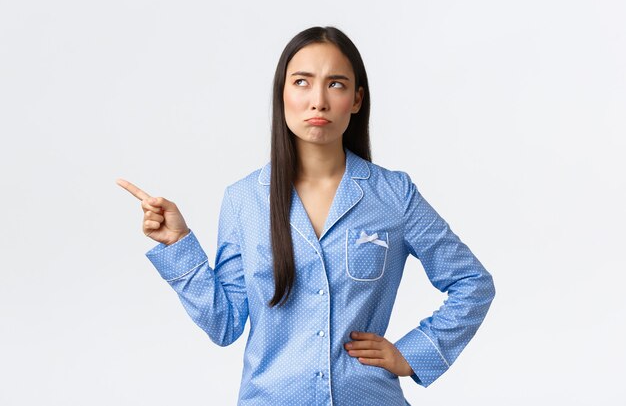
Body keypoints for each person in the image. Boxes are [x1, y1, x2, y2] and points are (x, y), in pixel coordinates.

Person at [116, 26, 495, 406]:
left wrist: (413, 354)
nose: (318, 101)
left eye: (335, 84)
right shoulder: (244, 200)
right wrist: (179, 245)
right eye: (302, 82)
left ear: (356, 99)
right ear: (282, 94)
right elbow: (224, 323)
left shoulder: (393, 194)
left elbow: (472, 283)